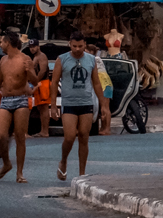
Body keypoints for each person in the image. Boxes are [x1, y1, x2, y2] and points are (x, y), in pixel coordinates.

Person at [0, 28, 40, 183]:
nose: (0, 44)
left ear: (8, 43)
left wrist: (30, 71)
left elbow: (35, 82)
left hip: (21, 99)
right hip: (6, 99)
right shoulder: (3, 60)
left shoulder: (25, 59)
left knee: (20, 137)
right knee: (1, 136)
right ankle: (6, 163)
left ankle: (20, 173)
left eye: (2, 41)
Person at [51, 31, 108, 181]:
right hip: (69, 103)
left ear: (85, 45)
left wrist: (103, 105)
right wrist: (52, 106)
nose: (77, 49)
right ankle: (63, 161)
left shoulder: (91, 60)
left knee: (84, 136)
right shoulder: (62, 59)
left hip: (86, 102)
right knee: (69, 137)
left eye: (80, 46)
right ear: (70, 44)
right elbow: (54, 82)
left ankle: (82, 174)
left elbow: (96, 82)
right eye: (74, 46)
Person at [86, 43, 113, 135]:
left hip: (103, 83)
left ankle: (107, 128)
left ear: (91, 52)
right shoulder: (96, 59)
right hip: (106, 83)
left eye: (86, 51)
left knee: (105, 107)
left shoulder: (94, 59)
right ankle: (103, 127)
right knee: (104, 107)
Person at [25, 39, 51, 137]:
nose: (32, 49)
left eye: (34, 47)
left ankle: (45, 131)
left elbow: (42, 71)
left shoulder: (42, 56)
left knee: (44, 107)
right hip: (38, 83)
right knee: (40, 107)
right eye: (31, 47)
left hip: (42, 83)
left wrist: (35, 82)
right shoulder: (35, 57)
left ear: (38, 46)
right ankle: (42, 130)